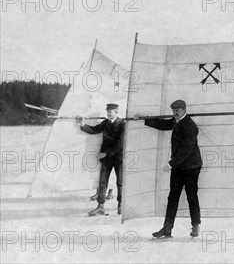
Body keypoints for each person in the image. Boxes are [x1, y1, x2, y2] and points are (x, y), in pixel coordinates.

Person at [140, 100, 203, 238]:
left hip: (191, 167)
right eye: (174, 110)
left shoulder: (190, 126)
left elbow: (186, 150)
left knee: (191, 196)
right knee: (173, 197)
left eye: (178, 110)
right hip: (179, 166)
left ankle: (196, 225)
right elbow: (163, 124)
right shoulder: (176, 120)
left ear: (184, 109)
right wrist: (145, 119)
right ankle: (167, 228)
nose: (175, 112)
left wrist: (171, 164)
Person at [77, 103, 125, 215]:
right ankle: (100, 206)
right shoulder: (105, 123)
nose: (108, 113)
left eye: (111, 111)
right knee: (102, 182)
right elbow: (94, 130)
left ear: (116, 112)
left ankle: (121, 206)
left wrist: (106, 153)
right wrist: (82, 124)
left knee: (120, 182)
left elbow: (120, 143)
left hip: (117, 157)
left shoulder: (122, 124)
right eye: (107, 111)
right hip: (106, 159)